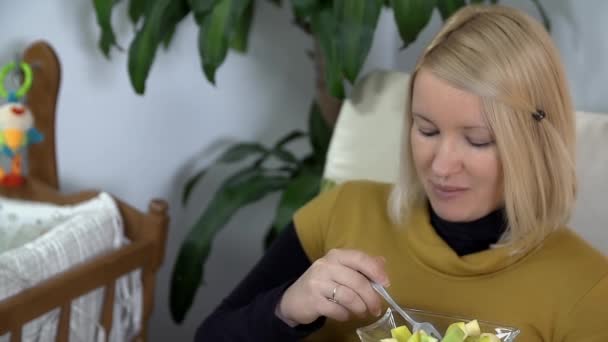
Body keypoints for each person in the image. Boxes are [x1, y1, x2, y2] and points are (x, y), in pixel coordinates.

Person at [195, 4, 608, 341]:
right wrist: (284, 309)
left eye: (477, 140)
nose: (441, 166)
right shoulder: (343, 210)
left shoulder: (588, 288)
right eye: (426, 129)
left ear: (535, 144)